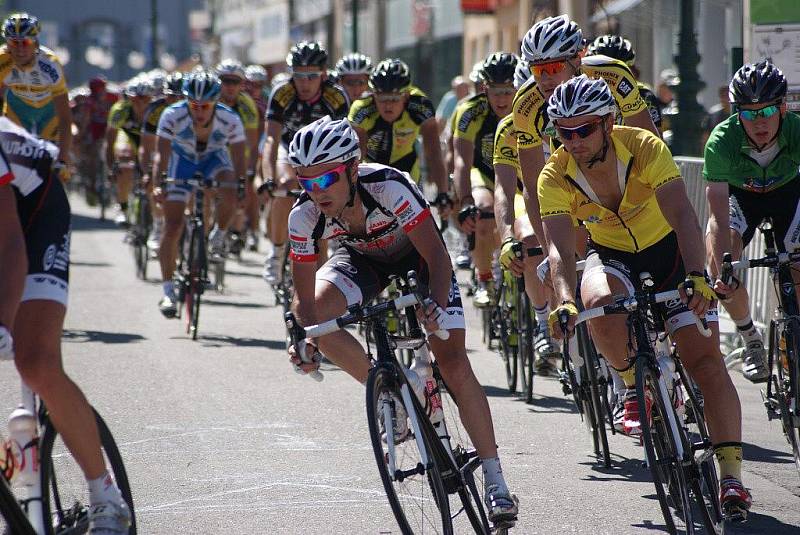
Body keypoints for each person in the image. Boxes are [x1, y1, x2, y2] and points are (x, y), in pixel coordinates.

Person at [285, 116, 519, 524]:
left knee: (453, 361)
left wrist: (432, 303)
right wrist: (305, 337)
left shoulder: (389, 186)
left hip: (419, 258)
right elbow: (303, 299)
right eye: (306, 182)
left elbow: (438, 257)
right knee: (319, 320)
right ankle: (388, 391)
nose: (316, 191)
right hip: (362, 262)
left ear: (352, 169)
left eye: (326, 180)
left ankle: (496, 480)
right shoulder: (303, 216)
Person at [540, 75, 751, 518]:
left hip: (670, 254)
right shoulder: (554, 174)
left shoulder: (644, 146)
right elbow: (559, 249)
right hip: (612, 255)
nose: (574, 141)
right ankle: (633, 384)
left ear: (608, 122)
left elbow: (682, 214)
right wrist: (562, 300)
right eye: (564, 132)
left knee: (706, 363)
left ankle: (731, 476)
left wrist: (696, 274)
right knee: (595, 300)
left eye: (584, 130)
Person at [0, 117, 131, 532]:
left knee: (35, 360)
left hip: (34, 211)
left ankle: (104, 495)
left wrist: (4, 322)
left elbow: (8, 242)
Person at [512, 14, 658, 247]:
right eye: (538, 70)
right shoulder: (525, 104)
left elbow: (650, 143)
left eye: (553, 66)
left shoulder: (613, 74)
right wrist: (549, 250)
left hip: (621, 164)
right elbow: (533, 185)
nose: (546, 78)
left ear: (577, 58)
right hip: (571, 173)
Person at [704, 60, 800, 383]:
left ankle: (792, 336)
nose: (759, 122)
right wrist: (725, 264)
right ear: (736, 114)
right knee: (721, 257)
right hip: (741, 196)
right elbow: (718, 214)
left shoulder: (795, 131)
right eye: (748, 113)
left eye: (767, 112)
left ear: (782, 108)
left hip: (787, 191)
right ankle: (751, 340)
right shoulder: (721, 141)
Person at [152, 71, 246, 317]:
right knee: (172, 226)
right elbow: (161, 154)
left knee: (230, 186)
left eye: (206, 106)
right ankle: (168, 291)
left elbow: (238, 156)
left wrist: (241, 182)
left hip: (214, 159)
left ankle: (219, 235)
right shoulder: (172, 115)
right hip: (181, 161)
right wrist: (159, 183)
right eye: (194, 106)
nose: (200, 111)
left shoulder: (230, 118)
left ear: (216, 103)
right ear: (186, 102)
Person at [261, 41, 350, 284]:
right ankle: (277, 252)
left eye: (312, 76)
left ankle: (321, 279)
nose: (305, 82)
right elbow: (270, 139)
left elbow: (346, 140)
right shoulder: (282, 93)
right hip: (289, 149)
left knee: (317, 202)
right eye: (299, 75)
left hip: (322, 157)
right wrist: (268, 178)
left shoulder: (335, 95)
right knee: (284, 186)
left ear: (323, 73)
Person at [492, 57, 559, 366]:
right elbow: (504, 190)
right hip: (525, 195)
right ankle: (542, 321)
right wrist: (506, 237)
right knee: (532, 243)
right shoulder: (508, 127)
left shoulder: (569, 114)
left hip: (568, 196)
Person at [348, 58, 449, 199]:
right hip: (373, 166)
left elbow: (434, 151)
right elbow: (357, 155)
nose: (388, 105)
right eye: (382, 99)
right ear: (373, 95)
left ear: (406, 96)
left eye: (394, 99)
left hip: (407, 166)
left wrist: (443, 193)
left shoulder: (420, 105)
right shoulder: (362, 108)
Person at [0, 13, 73, 175]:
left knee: (56, 170)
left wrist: (63, 157)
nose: (20, 49)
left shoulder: (50, 65)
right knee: (11, 165)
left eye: (25, 42)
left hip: (49, 111)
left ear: (35, 42)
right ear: (7, 43)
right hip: (17, 108)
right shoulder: (1, 60)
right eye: (14, 42)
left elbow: (65, 116)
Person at [216, 59, 261, 252]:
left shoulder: (246, 105)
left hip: (237, 153)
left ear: (242, 84)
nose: (230, 86)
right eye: (226, 81)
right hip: (214, 151)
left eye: (235, 82)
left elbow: (251, 145)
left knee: (247, 187)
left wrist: (249, 172)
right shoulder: (211, 99)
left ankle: (246, 228)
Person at [140, 72, 184, 252]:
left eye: (180, 96)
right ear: (164, 95)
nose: (175, 100)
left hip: (184, 151)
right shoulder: (155, 110)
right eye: (171, 96)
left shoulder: (194, 109)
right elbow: (148, 146)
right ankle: (158, 224)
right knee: (153, 180)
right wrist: (147, 172)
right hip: (160, 149)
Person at [586, 34, 663, 132]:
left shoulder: (645, 95)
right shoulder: (581, 95)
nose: (611, 81)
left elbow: (656, 139)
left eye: (619, 73)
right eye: (603, 73)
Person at [105, 77, 154, 225]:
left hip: (149, 139)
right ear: (129, 99)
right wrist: (112, 167)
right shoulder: (120, 111)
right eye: (135, 99)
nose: (140, 103)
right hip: (128, 137)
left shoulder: (155, 111)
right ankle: (123, 207)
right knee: (125, 162)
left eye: (145, 99)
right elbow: (110, 141)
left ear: (151, 98)